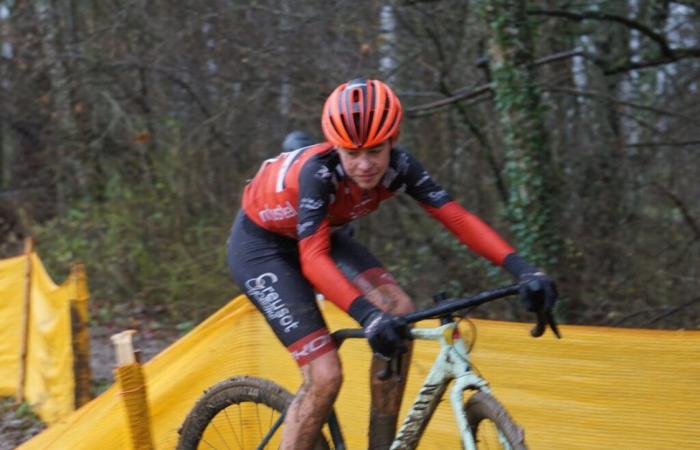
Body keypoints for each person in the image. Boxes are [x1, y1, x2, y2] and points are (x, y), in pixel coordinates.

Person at [227, 78, 557, 449]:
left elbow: (458, 220)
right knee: (325, 375)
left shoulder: (400, 167)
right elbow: (313, 260)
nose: (365, 165)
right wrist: (368, 317)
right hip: (262, 247)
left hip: (323, 234)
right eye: (352, 153)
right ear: (335, 147)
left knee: (399, 311)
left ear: (393, 141)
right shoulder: (318, 173)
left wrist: (524, 269)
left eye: (375, 150)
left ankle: (381, 444)